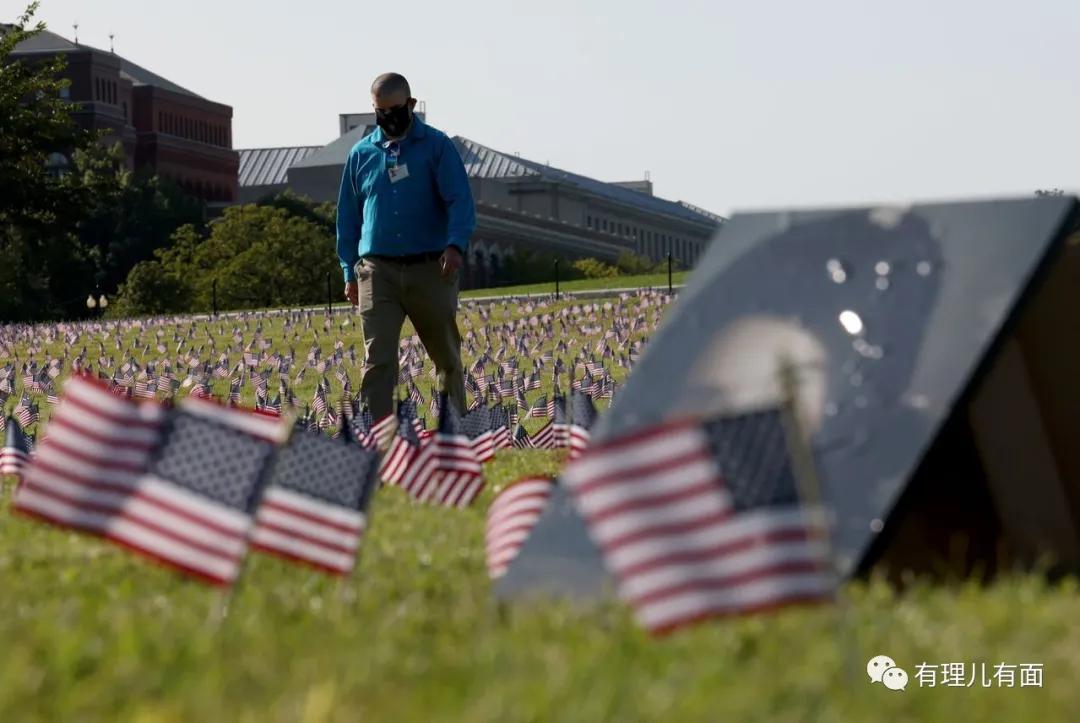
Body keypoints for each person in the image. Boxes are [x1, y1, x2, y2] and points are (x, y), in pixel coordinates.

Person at [337, 72, 476, 422]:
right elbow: (347, 218)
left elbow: (460, 200)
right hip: (376, 272)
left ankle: (455, 430)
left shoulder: (436, 146)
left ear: (411, 105)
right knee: (378, 358)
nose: (388, 118)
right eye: (379, 111)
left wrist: (455, 245)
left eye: (395, 109)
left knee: (446, 356)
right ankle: (378, 436)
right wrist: (348, 270)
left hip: (430, 268)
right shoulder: (360, 154)